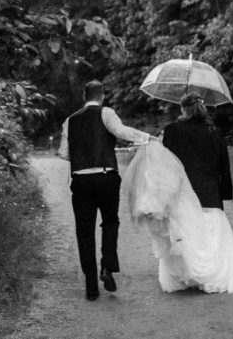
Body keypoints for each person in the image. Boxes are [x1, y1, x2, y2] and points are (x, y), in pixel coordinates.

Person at [122, 92, 233, 293]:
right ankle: (212, 277)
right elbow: (223, 166)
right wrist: (224, 192)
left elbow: (164, 165)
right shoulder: (215, 131)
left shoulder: (172, 131)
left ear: (182, 109)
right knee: (210, 236)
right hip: (209, 191)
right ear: (203, 109)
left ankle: (185, 277)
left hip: (182, 192)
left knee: (184, 234)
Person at [57, 79, 151, 300]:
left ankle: (91, 287)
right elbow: (122, 132)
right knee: (110, 222)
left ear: (83, 96)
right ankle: (107, 267)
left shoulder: (70, 121)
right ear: (102, 96)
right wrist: (147, 137)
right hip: (106, 176)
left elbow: (63, 153)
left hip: (80, 180)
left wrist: (81, 156)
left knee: (84, 231)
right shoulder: (107, 113)